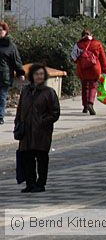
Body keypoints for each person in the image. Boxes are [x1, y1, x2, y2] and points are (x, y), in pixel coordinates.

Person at [14, 63, 60, 193]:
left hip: (42, 132)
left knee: (41, 158)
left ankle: (41, 183)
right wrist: (18, 124)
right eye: (36, 74)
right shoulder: (26, 91)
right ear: (31, 76)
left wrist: (42, 121)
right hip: (27, 132)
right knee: (27, 158)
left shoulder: (49, 92)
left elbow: (55, 112)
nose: (39, 77)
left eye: (41, 74)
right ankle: (30, 183)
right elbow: (20, 109)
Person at [72, 29, 106, 116]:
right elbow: (103, 59)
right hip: (94, 68)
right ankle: (90, 103)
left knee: (84, 86)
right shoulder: (97, 44)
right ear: (91, 35)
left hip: (82, 69)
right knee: (93, 86)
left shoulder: (78, 44)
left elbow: (73, 58)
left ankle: (85, 106)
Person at [0, 21, 26, 125]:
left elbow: (16, 60)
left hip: (4, 76)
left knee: (1, 97)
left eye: (1, 30)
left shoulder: (10, 45)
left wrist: (20, 73)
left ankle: (0, 116)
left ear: (6, 31)